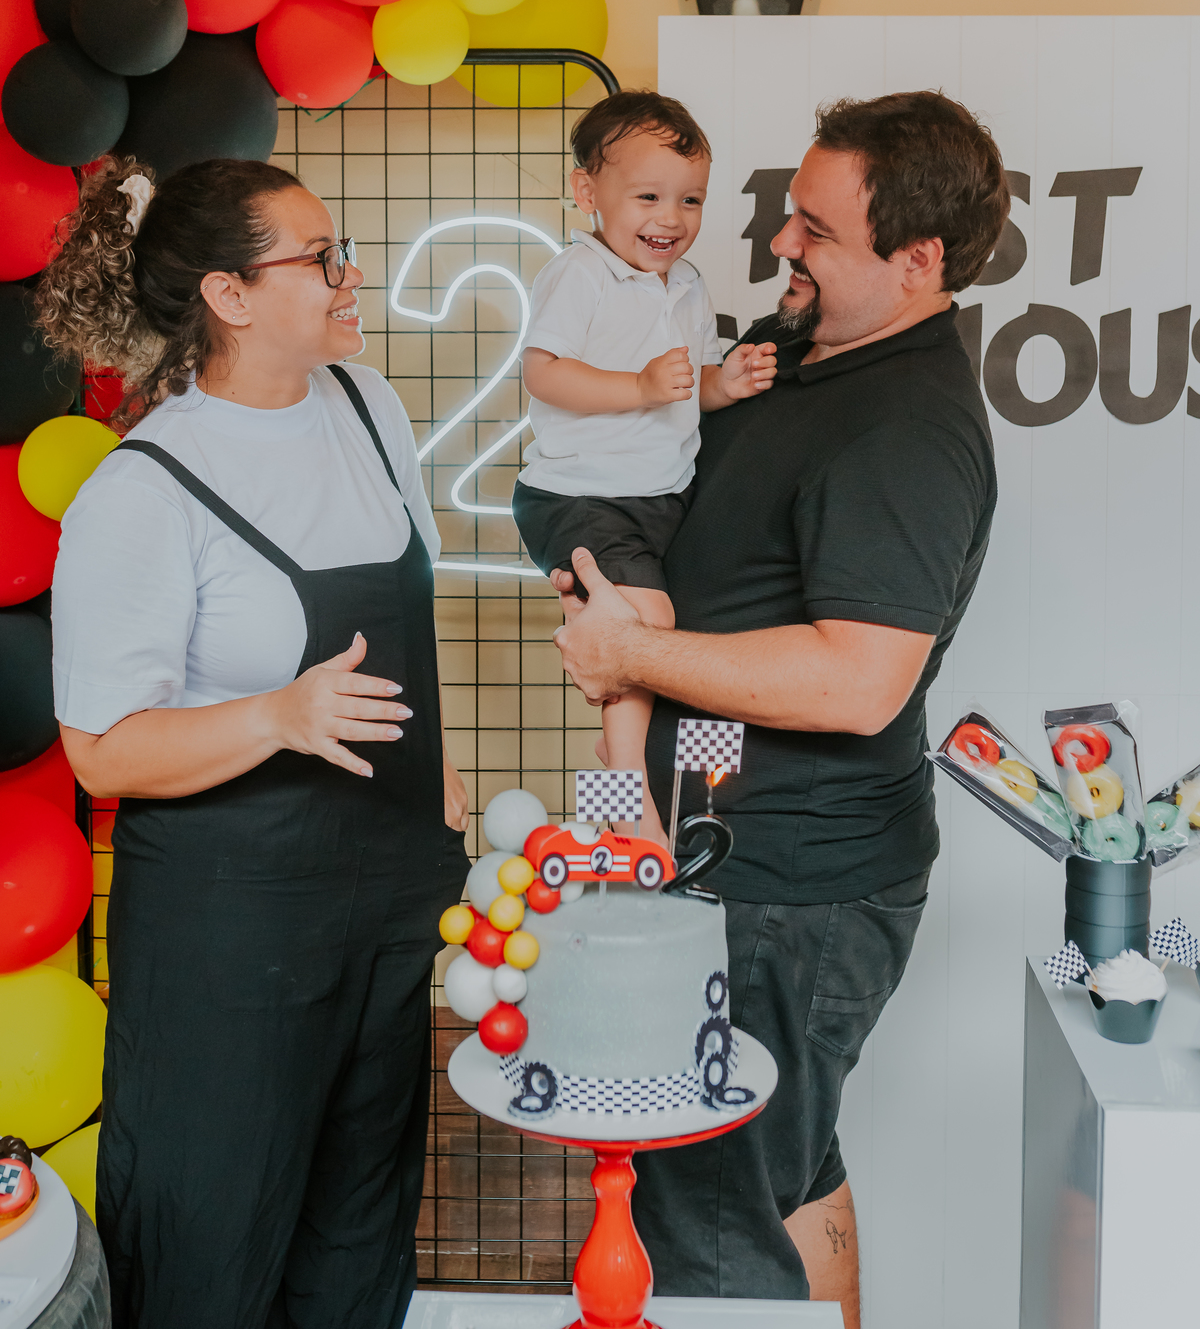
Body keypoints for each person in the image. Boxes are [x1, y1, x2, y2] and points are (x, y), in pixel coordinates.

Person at [549, 92, 1010, 1327]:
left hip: (793, 895)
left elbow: (859, 683)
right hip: (735, 854)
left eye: (816, 230)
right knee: (785, 1168)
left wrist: (635, 653)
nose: (781, 249)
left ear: (917, 261)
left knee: (710, 1214)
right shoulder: (804, 351)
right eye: (786, 216)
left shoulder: (907, 426)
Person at [40, 154, 470, 1329]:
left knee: (357, 1241)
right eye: (320, 258)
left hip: (383, 920)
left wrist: (441, 772)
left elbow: (399, 636)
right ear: (228, 296)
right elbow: (102, 752)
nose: (352, 276)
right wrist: (276, 715)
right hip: (233, 938)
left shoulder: (368, 410)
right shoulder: (145, 489)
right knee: (212, 1239)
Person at [512, 90, 776, 839]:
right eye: (649, 196)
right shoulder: (581, 273)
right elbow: (544, 372)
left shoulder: (687, 283)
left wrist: (731, 380)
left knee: (676, 626)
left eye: (690, 199)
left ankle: (622, 745)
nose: (671, 217)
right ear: (587, 192)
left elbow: (692, 387)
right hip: (582, 494)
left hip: (659, 496)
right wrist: (634, 386)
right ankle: (626, 796)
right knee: (643, 623)